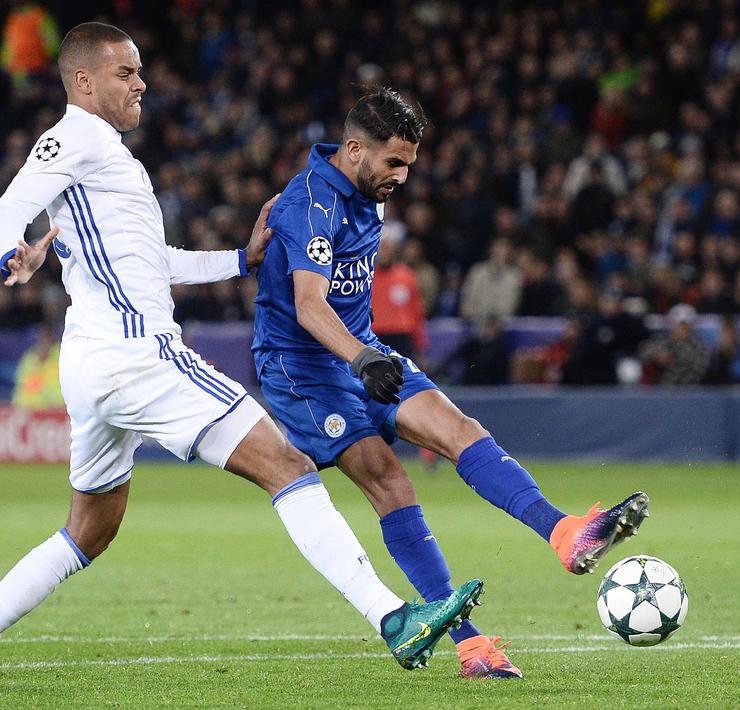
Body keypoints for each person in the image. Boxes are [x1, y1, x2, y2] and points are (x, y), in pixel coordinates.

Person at [0, 24, 481, 671]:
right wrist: (8, 249)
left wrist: (239, 258)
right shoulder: (74, 137)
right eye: (125, 73)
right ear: (84, 81)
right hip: (137, 355)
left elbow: (152, 260)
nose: (141, 82)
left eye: (141, 70)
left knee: (89, 530)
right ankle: (392, 615)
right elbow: (10, 206)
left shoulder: (105, 157)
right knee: (289, 466)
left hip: (94, 363)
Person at [252, 88, 650, 679]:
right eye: (394, 163)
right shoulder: (310, 204)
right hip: (302, 369)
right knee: (389, 479)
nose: (403, 177)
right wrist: (362, 359)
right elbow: (309, 306)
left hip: (363, 351)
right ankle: (471, 645)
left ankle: (566, 534)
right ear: (355, 149)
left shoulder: (366, 190)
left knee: (459, 429)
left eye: (410, 164)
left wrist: (366, 354)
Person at [11, 323, 62, 410]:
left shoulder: (62, 355)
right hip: (28, 410)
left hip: (58, 410)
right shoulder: (29, 358)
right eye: (39, 340)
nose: (42, 344)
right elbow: (20, 384)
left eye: (45, 339)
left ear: (51, 339)